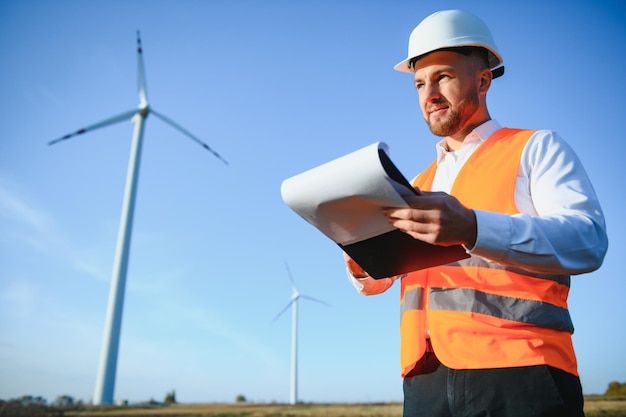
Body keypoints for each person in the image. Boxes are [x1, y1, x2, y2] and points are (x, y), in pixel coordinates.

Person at [344, 9, 608, 417]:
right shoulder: (415, 183)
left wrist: (473, 227)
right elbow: (391, 276)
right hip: (424, 378)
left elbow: (587, 240)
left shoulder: (535, 148)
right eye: (419, 83)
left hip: (520, 369)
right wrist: (361, 258)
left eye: (443, 77)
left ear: (482, 79)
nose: (429, 94)